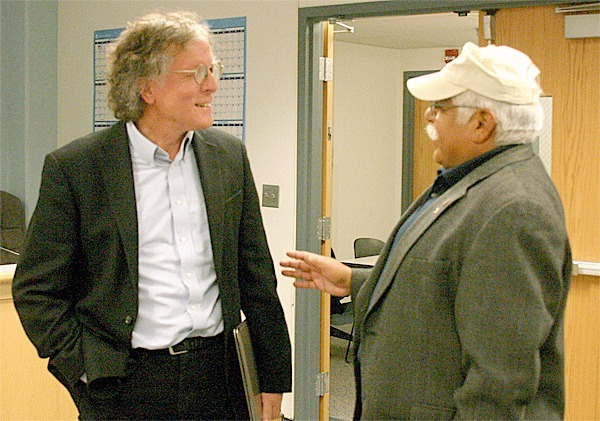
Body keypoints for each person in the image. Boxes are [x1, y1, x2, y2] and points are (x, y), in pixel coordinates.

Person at [13, 11, 291, 420]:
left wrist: (272, 376)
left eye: (213, 69)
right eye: (196, 73)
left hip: (221, 377)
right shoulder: (77, 168)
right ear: (147, 88)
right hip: (127, 384)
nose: (212, 85)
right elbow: (36, 290)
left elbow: (256, 277)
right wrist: (86, 370)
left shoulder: (228, 157)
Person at [281, 42, 571, 419]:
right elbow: (449, 285)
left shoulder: (514, 209)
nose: (429, 118)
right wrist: (355, 281)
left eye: (441, 108)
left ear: (482, 123)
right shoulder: (472, 183)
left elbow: (498, 385)